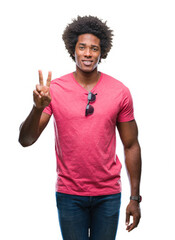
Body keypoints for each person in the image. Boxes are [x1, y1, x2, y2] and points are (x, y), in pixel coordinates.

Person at [18, 15, 142, 239]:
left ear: (101, 52)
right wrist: (37, 108)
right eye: (82, 47)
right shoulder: (54, 90)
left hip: (108, 195)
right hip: (69, 195)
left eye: (94, 48)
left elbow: (131, 145)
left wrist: (135, 198)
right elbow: (26, 140)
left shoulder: (119, 91)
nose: (87, 53)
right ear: (72, 49)